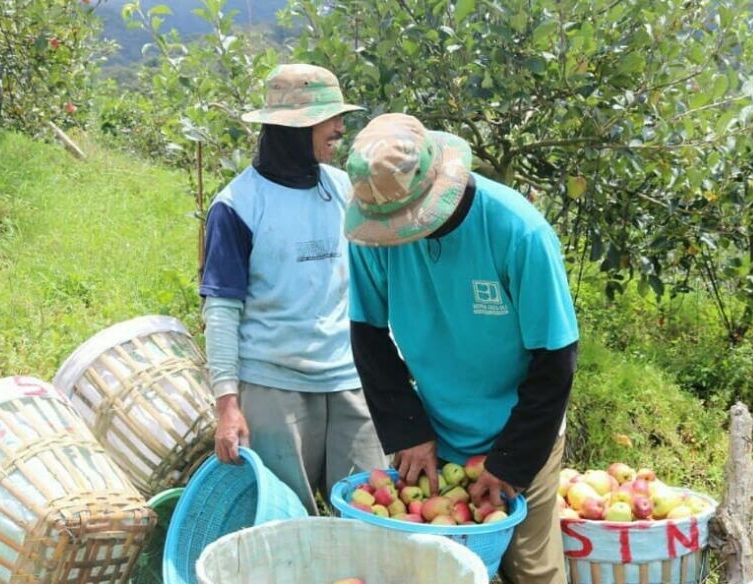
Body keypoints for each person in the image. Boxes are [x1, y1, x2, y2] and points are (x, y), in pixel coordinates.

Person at [344, 113, 579, 583]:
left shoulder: (517, 231)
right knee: (425, 568)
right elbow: (367, 334)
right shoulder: (375, 232)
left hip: (519, 429)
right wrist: (409, 429)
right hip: (432, 433)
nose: (400, 236)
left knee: (529, 568)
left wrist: (509, 461)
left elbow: (556, 359)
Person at [199, 64, 387, 515]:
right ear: (296, 127)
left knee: (372, 512)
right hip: (273, 388)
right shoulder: (238, 205)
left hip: (347, 378)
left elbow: (370, 282)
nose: (341, 128)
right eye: (330, 118)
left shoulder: (343, 189)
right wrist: (227, 406)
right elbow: (222, 310)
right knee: (284, 519)